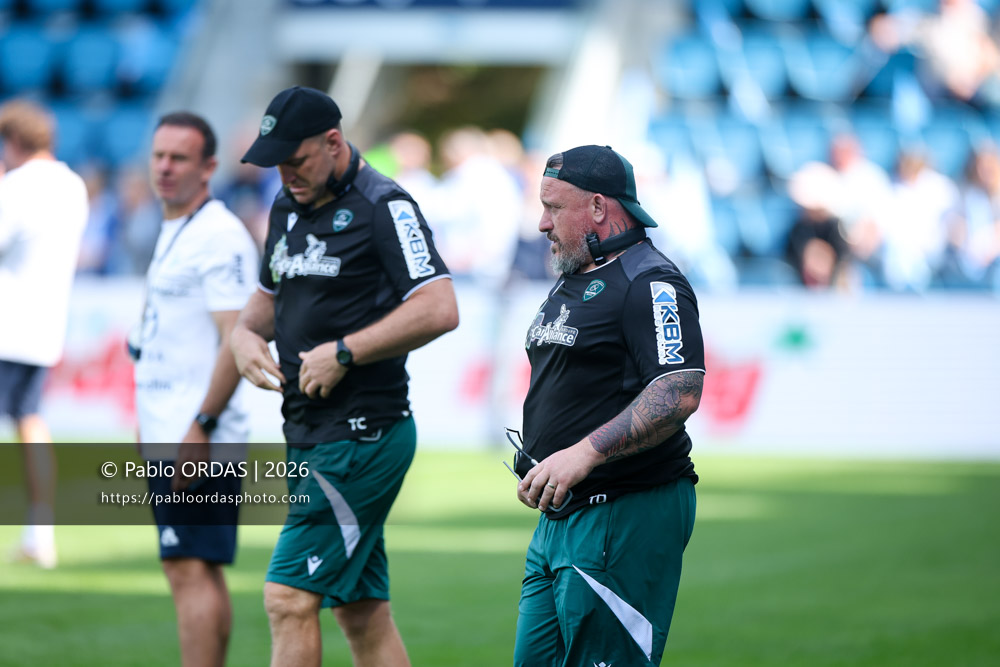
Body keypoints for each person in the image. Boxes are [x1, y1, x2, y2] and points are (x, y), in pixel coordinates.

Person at [231, 86, 458, 667]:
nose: (286, 175)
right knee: (360, 610)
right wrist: (242, 336)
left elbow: (439, 307)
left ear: (333, 142)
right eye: (276, 164)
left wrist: (345, 352)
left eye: (296, 160)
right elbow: (266, 301)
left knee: (287, 598)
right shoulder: (286, 204)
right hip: (308, 432)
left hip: (361, 436)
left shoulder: (386, 205)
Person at [513, 145, 704, 666]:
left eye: (554, 208)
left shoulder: (651, 281)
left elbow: (679, 389)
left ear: (598, 206)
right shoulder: (576, 276)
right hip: (561, 518)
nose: (542, 224)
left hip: (621, 510)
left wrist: (584, 453)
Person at [133, 111, 259, 667]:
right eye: (158, 155)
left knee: (187, 566)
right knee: (193, 565)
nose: (164, 167)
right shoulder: (178, 227)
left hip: (198, 434)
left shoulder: (219, 235)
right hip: (173, 425)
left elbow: (237, 338)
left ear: (208, 167)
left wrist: (200, 426)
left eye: (179, 158)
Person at [0, 99, 89, 570]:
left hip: (7, 321)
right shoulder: (73, 184)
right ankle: (40, 531)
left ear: (13, 140)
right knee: (30, 421)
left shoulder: (17, 186)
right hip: (44, 324)